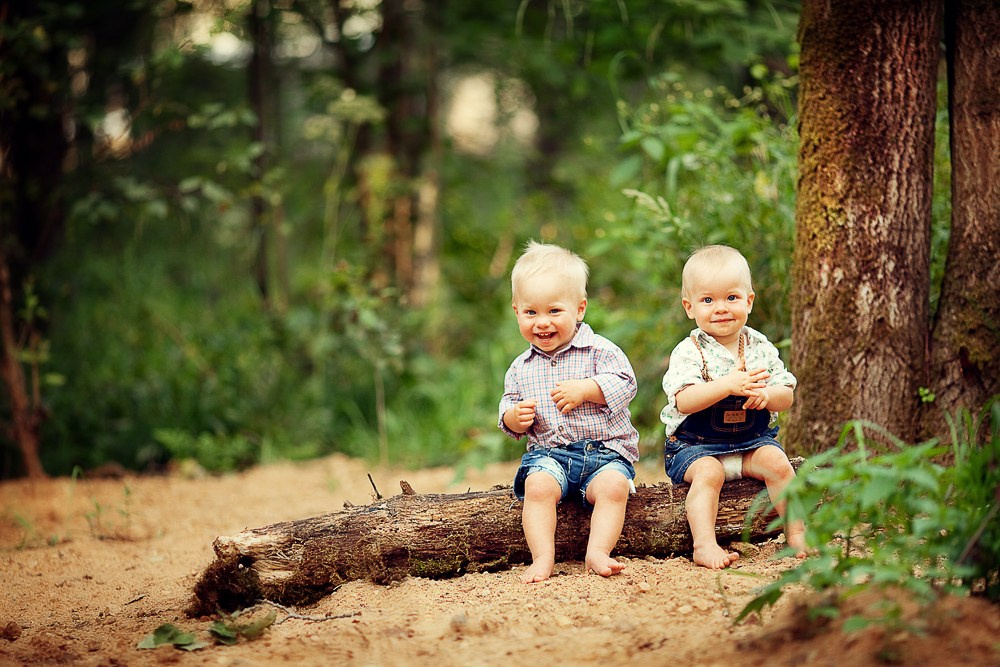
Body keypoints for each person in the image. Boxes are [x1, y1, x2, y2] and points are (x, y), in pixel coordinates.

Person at [499, 240, 640, 583]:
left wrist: (588, 389)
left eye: (554, 311)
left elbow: (627, 383)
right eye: (531, 312)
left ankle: (598, 551)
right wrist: (513, 418)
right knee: (537, 488)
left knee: (613, 489)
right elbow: (508, 405)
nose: (542, 323)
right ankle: (543, 557)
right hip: (550, 455)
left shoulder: (599, 350)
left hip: (605, 453)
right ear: (517, 312)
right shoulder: (520, 368)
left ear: (579, 309)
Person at [660, 244, 806, 569]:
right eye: (708, 300)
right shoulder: (689, 351)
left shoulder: (759, 347)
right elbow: (684, 400)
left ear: (749, 301)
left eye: (732, 298)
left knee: (779, 464)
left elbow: (787, 393)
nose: (721, 308)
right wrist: (725, 385)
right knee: (709, 474)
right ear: (690, 307)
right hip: (697, 446)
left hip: (750, 441)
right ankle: (704, 545)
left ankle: (797, 533)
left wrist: (768, 396)